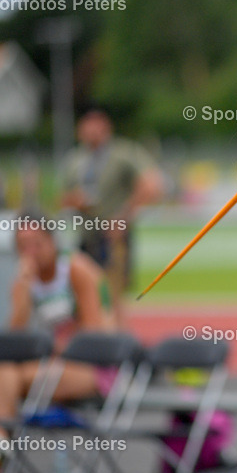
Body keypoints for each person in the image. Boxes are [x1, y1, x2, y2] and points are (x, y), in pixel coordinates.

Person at [0, 213, 113, 473]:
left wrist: (55, 347)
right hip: (50, 366)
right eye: (23, 245)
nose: (31, 252)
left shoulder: (77, 270)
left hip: (95, 366)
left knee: (9, 371)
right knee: (0, 365)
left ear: (52, 241)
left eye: (37, 243)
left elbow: (96, 334)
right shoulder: (24, 280)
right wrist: (21, 291)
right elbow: (14, 339)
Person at [62, 109, 163, 327]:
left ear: (106, 127)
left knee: (112, 297)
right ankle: (92, 345)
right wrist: (75, 201)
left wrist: (123, 217)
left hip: (112, 237)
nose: (91, 133)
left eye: (96, 127)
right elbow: (62, 198)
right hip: (85, 236)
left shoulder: (122, 154)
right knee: (84, 296)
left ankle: (117, 347)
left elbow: (152, 184)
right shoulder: (75, 160)